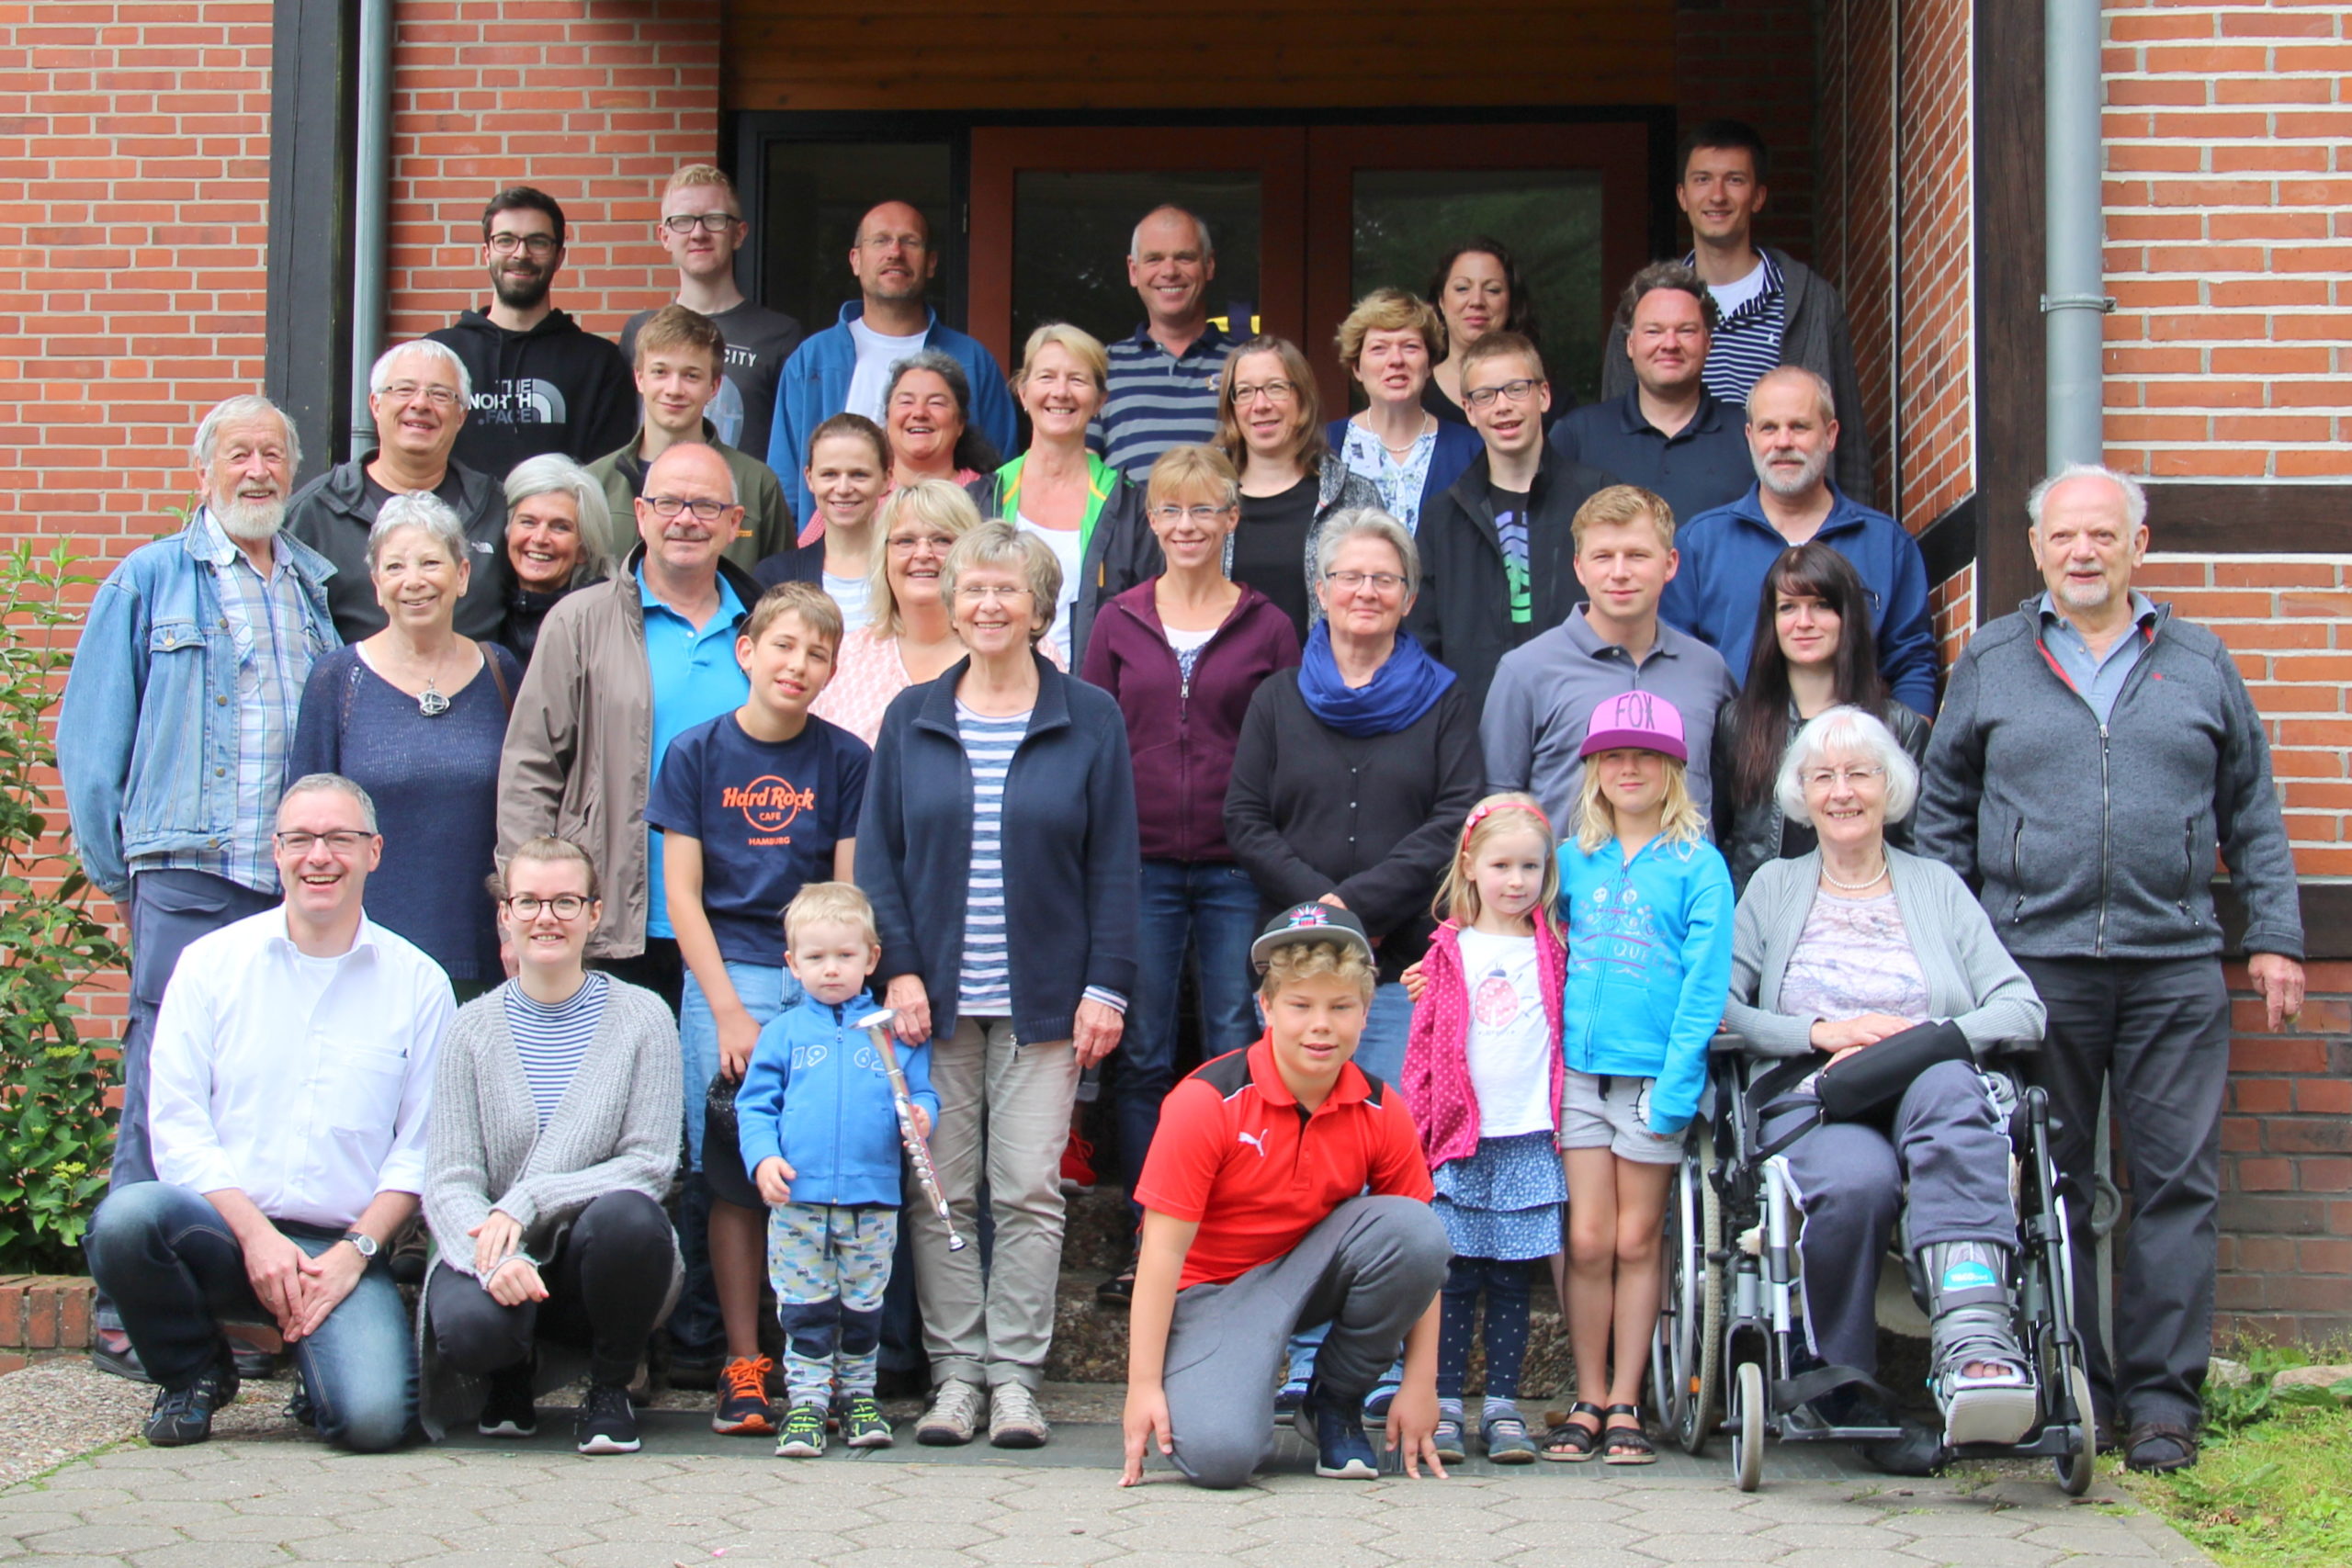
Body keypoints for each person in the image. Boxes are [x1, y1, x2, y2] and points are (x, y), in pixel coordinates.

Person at [1915, 465, 2305, 1474]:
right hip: (2030, 967)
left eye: (2102, 535)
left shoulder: (2200, 660)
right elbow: (1943, 812)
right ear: (2037, 549)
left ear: (2140, 546)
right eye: (2063, 537)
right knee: (2049, 1185)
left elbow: (2251, 811)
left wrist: (2274, 937)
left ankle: (2164, 1403)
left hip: (2173, 964)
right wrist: (1955, 955)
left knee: (2175, 1184)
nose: (2081, 552)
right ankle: (2071, 1384)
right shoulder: (1993, 659)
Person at [857, 522, 1140, 1450]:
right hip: (931, 1000)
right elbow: (878, 861)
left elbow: (1113, 865)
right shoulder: (913, 717)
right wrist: (897, 968)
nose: (984, 605)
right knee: (939, 1191)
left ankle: (1015, 1377)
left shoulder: (1087, 714)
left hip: (1047, 999)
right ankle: (955, 1377)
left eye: (1004, 590)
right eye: (970, 588)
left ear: (1039, 607)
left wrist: (1107, 985)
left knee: (1026, 1189)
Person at [81, 774, 450, 1451]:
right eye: (301, 838)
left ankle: (320, 1371)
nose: (320, 856)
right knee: (127, 1220)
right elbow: (179, 1127)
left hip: (339, 1247)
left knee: (372, 1422)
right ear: (275, 851)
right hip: (221, 1230)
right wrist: (255, 1238)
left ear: (374, 851)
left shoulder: (419, 983)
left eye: (340, 838)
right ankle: (194, 1371)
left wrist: (355, 1252)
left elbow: (423, 1147)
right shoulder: (210, 965)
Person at [1730, 706, 2052, 1462]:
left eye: (1860, 773)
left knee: (1948, 1093)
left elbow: (2023, 1009)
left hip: (1928, 1083)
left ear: (1891, 787)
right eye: (1823, 776)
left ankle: (1977, 1351)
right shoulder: (1772, 886)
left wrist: (1919, 1042)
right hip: (1815, 1096)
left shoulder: (1935, 885)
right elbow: (1720, 1012)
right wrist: (1820, 1033)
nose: (1842, 791)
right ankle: (1842, 1381)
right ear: (1801, 794)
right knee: (1857, 1180)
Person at [59, 395, 336, 1201]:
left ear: (294, 470)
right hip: (187, 870)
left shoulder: (310, 589)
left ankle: (235, 1286)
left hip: (285, 885)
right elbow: (88, 744)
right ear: (203, 470)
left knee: (263, 1083)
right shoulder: (149, 578)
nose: (257, 471)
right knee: (165, 1071)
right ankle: (126, 1300)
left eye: (273, 455)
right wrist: (125, 882)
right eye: (238, 455)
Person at [1119, 904, 1452, 1488]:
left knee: (1417, 1231)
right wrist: (1142, 1386)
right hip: (1214, 1295)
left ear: (1366, 1012)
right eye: (1300, 1005)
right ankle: (1219, 1384)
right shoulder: (1206, 1101)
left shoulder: (1380, 1107)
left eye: (1340, 1006)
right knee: (1219, 1458)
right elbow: (1161, 1254)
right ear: (1266, 1007)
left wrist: (1421, 1384)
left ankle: (1333, 1400)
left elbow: (1424, 1261)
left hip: (1311, 1274)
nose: (1320, 1025)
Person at [1080, 445, 1302, 1303]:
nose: (1185, 527)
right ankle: (1150, 1231)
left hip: (1234, 866)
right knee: (1137, 1053)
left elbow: (1284, 743)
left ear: (1231, 521)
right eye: (1170, 512)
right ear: (1151, 521)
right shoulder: (1117, 619)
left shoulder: (1269, 623)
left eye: (1204, 511)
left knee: (1228, 1043)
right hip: (1135, 864)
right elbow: (1095, 738)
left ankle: (1222, 1227)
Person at [648, 581, 870, 1435]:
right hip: (729, 979)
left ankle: (821, 1359)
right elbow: (683, 897)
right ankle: (743, 1361)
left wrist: (830, 995)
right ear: (747, 651)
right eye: (783, 645)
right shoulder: (697, 754)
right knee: (735, 1178)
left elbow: (848, 895)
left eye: (817, 653)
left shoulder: (846, 760)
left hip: (818, 977)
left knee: (817, 1163)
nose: (797, 664)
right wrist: (728, 1012)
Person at [1226, 509, 1483, 1156]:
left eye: (1385, 579)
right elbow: (1245, 819)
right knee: (1288, 1144)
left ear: (1409, 597)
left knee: (1385, 1139)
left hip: (1403, 966)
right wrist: (1323, 911)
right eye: (1350, 576)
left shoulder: (1446, 702)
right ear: (1321, 588)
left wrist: (1357, 906)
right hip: (1295, 960)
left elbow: (1456, 817)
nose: (1366, 591)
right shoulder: (1277, 699)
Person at [419, 837, 684, 1456]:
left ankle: (610, 1386)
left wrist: (530, 1197)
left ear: (594, 913)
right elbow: (451, 1177)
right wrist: (490, 1255)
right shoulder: (469, 1028)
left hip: (591, 1263)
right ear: (505, 914)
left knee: (632, 1219)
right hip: (496, 1253)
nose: (547, 917)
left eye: (566, 901)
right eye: (530, 901)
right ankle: (508, 1376)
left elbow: (650, 1163)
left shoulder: (644, 1018)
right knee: (469, 1328)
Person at [498, 442, 765, 1012]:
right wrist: (527, 907)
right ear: (640, 515)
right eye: (668, 503)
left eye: (705, 506)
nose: (685, 519)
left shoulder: (764, 625)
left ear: (734, 524)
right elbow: (531, 768)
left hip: (737, 924)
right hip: (611, 918)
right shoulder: (580, 621)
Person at [1539, 694, 1731, 1462]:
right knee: (1585, 1238)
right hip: (1580, 1078)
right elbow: (1533, 951)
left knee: (1634, 1235)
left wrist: (1681, 1083)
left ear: (1673, 769)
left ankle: (1628, 1399)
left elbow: (1704, 984)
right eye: (1614, 755)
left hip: (1656, 1080)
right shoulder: (1571, 858)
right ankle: (1588, 1393)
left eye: (1646, 755)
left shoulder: (1698, 864)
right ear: (1592, 767)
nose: (1630, 767)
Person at [290, 493, 523, 998]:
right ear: (377, 586)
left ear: (462, 575)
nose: (413, 580)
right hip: (363, 956)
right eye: (394, 566)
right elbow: (303, 829)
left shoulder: (501, 673)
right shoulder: (338, 680)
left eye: (430, 563)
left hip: (485, 954)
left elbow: (529, 808)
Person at [736, 882, 937, 1458]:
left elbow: (922, 1092)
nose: (830, 970)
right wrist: (763, 1158)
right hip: (799, 1199)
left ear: (872, 958)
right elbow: (756, 1106)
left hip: (872, 1197)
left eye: (845, 956)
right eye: (815, 958)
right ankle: (805, 1402)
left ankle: (858, 1395)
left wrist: (923, 1115)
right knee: (805, 1306)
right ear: (792, 963)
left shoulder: (890, 1032)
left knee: (863, 1305)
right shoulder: (782, 1034)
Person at [1399, 794, 1566, 1466]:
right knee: (1455, 1274)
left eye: (1530, 865)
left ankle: (1501, 1406)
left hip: (1527, 1133)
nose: (1516, 880)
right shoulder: (1447, 950)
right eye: (1501, 864)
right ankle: (1442, 1402)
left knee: (1510, 1277)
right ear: (1470, 865)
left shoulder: (1555, 948)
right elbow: (1424, 1045)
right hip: (1460, 1138)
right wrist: (1419, 1130)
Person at [1601, 121, 1872, 502]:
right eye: (1702, 180)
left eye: (1734, 180)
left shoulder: (1809, 300)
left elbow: (1850, 442)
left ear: (1758, 196)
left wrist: (1848, 539)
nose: (1717, 196)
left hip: (1786, 524)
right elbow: (1615, 427)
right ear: (1681, 195)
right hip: (1672, 520)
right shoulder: (1647, 309)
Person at [1664, 367, 1938, 716]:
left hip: (1850, 762)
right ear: (1749, 437)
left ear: (1831, 434)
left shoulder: (1885, 544)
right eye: (1769, 428)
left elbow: (1913, 664)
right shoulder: (1700, 544)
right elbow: (1675, 668)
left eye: (1799, 426)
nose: (1783, 443)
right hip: (1733, 761)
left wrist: (1901, 753)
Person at [1480, 484, 1736, 831]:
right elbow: (1498, 813)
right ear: (1579, 567)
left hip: (1687, 884)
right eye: (1602, 557)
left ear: (1670, 563)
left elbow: (1732, 796)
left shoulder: (1708, 670)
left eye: (1637, 555)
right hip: (1566, 884)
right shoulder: (1525, 672)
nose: (1619, 572)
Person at [766, 200, 1017, 525]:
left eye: (909, 241)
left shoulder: (973, 361)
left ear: (931, 262)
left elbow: (1003, 477)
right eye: (881, 240)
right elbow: (785, 485)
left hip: (949, 552)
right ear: (856, 260)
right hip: (835, 557)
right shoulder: (812, 359)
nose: (895, 252)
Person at [1410, 330, 1616, 710]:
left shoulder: (1598, 499)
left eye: (1516, 389)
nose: (1502, 406)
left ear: (1544, 396)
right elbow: (1423, 641)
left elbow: (1625, 614)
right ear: (1469, 411)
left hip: (1580, 722)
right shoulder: (1444, 515)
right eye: (1485, 395)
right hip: (1475, 730)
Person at [1713, 542, 1932, 897]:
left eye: (1821, 606)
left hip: (1866, 924)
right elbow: (1717, 840)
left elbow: (1916, 852)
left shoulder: (1900, 729)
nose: (1804, 623)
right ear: (1772, 622)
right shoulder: (1736, 724)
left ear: (1848, 617)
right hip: (1759, 926)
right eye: (1788, 608)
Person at [285, 339, 510, 642]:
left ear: (461, 416)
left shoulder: (498, 511)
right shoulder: (315, 513)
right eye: (404, 390)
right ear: (375, 405)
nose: (420, 404)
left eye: (440, 394)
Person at [970, 323, 1149, 668]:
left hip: (1093, 703)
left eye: (1078, 380)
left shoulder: (1132, 506)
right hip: (992, 695)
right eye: (1047, 377)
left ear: (1100, 400)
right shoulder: (980, 498)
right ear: (1022, 392)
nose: (1061, 392)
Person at [427, 186, 637, 478]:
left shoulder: (599, 364)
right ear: (486, 253)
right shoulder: (439, 356)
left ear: (559, 256)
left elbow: (606, 480)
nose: (521, 253)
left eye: (537, 242)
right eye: (506, 241)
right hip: (457, 524)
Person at [1549, 263, 1754, 532]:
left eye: (1686, 330)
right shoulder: (1577, 436)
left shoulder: (1750, 435)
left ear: (1708, 343)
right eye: (1653, 331)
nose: (1669, 344)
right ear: (1630, 344)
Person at [587, 304, 794, 570]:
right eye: (660, 372)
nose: (674, 390)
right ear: (639, 378)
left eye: (691, 376)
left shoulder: (756, 484)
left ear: (714, 386)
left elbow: (783, 593)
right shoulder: (595, 483)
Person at [619, 164, 806, 455]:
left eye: (714, 220)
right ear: (664, 235)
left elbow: (792, 449)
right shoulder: (639, 331)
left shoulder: (780, 336)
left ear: (739, 234)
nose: (698, 233)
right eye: (682, 221)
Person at [1214, 334, 1379, 642]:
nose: (1260, 405)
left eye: (1275, 388)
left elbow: (1381, 600)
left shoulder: (1353, 497)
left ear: (1302, 398)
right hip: (1226, 688)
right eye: (1245, 392)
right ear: (1232, 407)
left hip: (1323, 685)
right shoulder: (1205, 498)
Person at [809, 479, 984, 745]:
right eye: (905, 541)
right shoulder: (844, 658)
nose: (923, 553)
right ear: (883, 556)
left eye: (942, 540)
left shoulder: (1019, 656)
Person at [1094, 206, 1238, 477]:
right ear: (1133, 270)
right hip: (1126, 521)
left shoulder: (1245, 365)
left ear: (1209, 265)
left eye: (1184, 257)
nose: (1169, 271)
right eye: (1154, 259)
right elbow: (1079, 472)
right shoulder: (1100, 367)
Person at [1326, 288, 1483, 536]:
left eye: (1410, 347)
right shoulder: (1325, 447)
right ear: (1357, 367)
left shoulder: (1471, 449)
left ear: (1430, 363)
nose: (1396, 360)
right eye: (1379, 348)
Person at [753, 413, 889, 629]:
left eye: (859, 475)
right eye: (829, 474)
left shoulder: (907, 569)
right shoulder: (777, 575)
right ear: (809, 478)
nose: (843, 489)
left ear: (886, 479)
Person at [501, 454, 621, 667]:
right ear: (509, 531)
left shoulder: (604, 623)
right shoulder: (487, 612)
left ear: (584, 549)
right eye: (528, 522)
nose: (539, 538)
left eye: (560, 527)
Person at [1424, 238, 1541, 426]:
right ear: (1441, 302)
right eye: (1462, 288)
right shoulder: (1414, 396)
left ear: (1511, 303)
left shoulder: (1545, 398)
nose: (1476, 301)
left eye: (1492, 290)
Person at [883, 351, 1001, 498]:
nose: (919, 413)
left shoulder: (989, 495)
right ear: (887, 418)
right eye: (906, 402)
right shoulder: (864, 494)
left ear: (960, 423)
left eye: (936, 403)